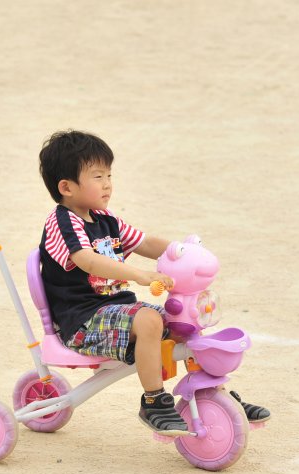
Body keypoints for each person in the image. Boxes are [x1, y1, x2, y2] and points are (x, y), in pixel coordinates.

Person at [38, 130, 270, 436]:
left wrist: (182, 252)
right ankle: (154, 401)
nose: (107, 183)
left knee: (183, 321)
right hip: (83, 321)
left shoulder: (105, 218)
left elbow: (144, 243)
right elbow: (87, 260)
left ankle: (214, 392)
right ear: (66, 187)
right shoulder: (62, 222)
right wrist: (140, 274)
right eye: (97, 176)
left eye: (109, 175)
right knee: (148, 320)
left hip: (114, 313)